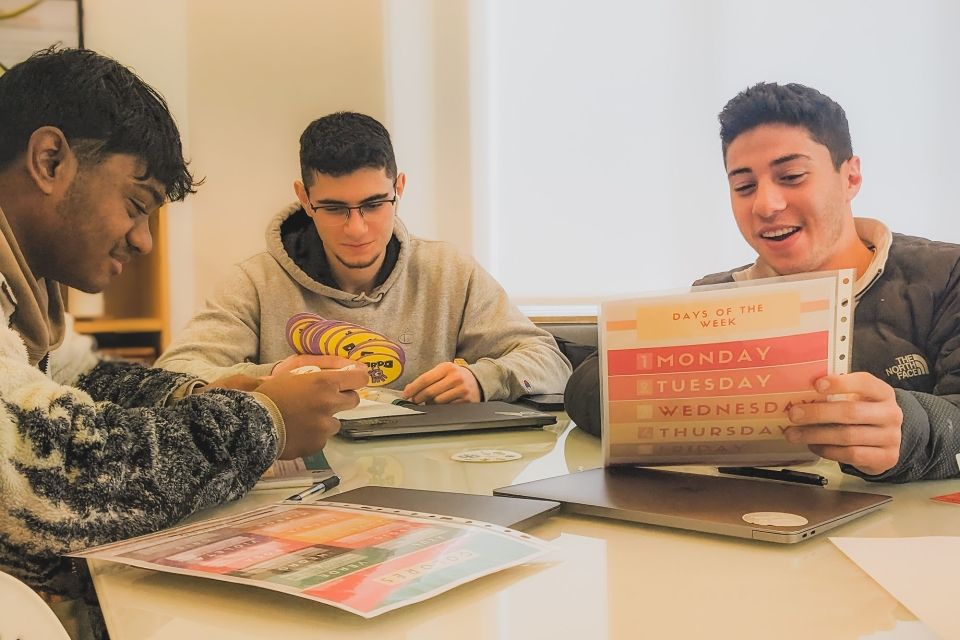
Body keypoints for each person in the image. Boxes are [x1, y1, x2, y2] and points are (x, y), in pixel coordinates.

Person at [0, 47, 367, 633]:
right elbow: (48, 481)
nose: (144, 241)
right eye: (136, 204)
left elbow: (82, 382)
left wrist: (205, 394)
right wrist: (263, 420)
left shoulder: (27, 297)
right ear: (49, 160)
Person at [565, 82, 960, 483]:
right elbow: (589, 388)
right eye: (744, 186)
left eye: (791, 176)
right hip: (743, 518)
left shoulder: (944, 275)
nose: (766, 205)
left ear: (850, 177)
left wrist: (911, 433)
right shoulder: (717, 299)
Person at [156, 112, 571, 404]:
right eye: (335, 209)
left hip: (427, 478)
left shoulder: (449, 273)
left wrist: (483, 379)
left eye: (374, 204)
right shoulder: (255, 282)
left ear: (399, 189)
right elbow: (170, 377)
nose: (357, 229)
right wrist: (277, 377)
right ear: (304, 198)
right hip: (305, 482)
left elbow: (550, 362)